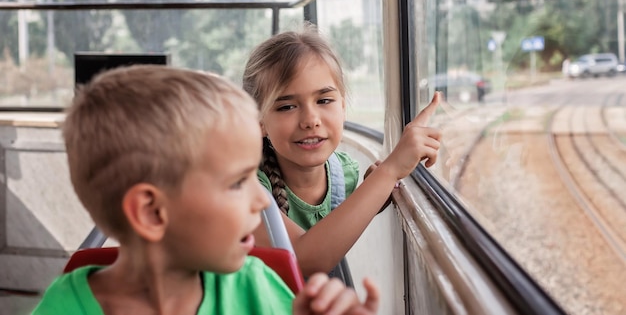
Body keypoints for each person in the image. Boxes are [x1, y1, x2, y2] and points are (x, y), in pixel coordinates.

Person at [31, 65, 379, 315]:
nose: (262, 200)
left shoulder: (256, 285)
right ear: (152, 212)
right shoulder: (63, 308)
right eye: (237, 183)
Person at [243, 24, 442, 277]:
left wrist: (374, 190)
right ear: (259, 120)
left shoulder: (343, 173)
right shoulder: (246, 188)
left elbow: (335, 225)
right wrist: (389, 172)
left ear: (343, 106)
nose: (310, 120)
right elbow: (302, 261)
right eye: (287, 107)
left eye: (324, 101)